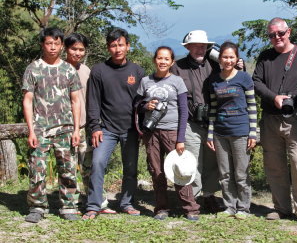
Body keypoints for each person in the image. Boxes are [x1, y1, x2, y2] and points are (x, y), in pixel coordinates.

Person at [252, 17, 297, 226]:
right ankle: (281, 208)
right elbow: (256, 82)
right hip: (269, 117)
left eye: (280, 33)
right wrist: (273, 97)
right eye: (272, 35)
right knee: (274, 164)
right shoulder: (265, 56)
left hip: (294, 118)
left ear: (289, 32)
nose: (277, 38)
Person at [83, 28, 145, 220]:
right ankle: (94, 205)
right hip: (106, 129)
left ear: (128, 46)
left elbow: (142, 102)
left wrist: (142, 128)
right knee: (98, 163)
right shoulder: (99, 71)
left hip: (130, 129)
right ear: (108, 47)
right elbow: (92, 101)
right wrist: (95, 127)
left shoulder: (137, 71)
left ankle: (126, 203)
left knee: (131, 168)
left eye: (121, 44)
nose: (117, 49)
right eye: (113, 45)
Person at [22, 27, 81, 222]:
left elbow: (76, 101)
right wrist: (31, 130)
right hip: (40, 128)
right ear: (42, 44)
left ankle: (69, 206)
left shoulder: (68, 70)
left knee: (68, 169)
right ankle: (38, 206)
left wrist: (76, 129)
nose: (53, 47)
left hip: (65, 128)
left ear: (62, 45)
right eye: (49, 43)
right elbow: (28, 100)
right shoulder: (33, 69)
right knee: (37, 170)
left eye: (57, 43)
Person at [137, 46, 200, 221]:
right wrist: (145, 106)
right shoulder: (145, 81)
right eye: (159, 58)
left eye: (166, 59)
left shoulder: (177, 82)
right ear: (154, 60)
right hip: (151, 132)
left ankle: (190, 208)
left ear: (172, 62)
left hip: (172, 131)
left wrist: (181, 139)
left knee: (180, 170)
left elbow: (184, 111)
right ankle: (161, 208)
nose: (162, 61)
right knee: (156, 171)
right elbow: (137, 105)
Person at [170, 30, 223, 213]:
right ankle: (193, 199)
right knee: (192, 161)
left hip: (212, 121)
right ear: (188, 47)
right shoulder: (178, 67)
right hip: (190, 121)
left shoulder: (215, 65)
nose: (200, 49)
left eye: (203, 46)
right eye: (196, 45)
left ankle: (209, 196)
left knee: (211, 161)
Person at [64, 33, 114, 214]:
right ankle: (71, 204)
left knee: (91, 166)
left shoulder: (87, 71)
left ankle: (98, 202)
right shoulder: (59, 70)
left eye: (81, 49)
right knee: (68, 167)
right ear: (65, 48)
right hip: (65, 127)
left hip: (86, 126)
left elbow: (94, 100)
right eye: (73, 49)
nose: (77, 53)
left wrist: (96, 124)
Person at [206, 42, 257, 219]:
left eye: (231, 57)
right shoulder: (213, 80)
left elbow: (252, 106)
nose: (228, 60)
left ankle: (243, 208)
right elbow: (213, 108)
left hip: (241, 131)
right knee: (225, 174)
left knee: (241, 173)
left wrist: (253, 132)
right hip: (220, 132)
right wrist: (210, 133)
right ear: (219, 59)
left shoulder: (244, 78)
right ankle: (230, 206)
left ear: (237, 58)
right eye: (225, 57)